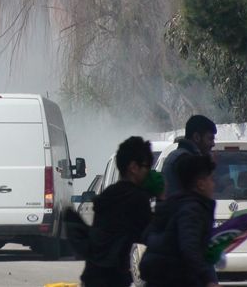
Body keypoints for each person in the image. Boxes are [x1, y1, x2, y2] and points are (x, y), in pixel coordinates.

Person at [80, 137, 154, 287]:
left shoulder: (109, 194)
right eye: (146, 167)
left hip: (93, 275)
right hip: (112, 278)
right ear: (133, 167)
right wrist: (163, 198)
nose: (148, 172)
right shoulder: (137, 198)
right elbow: (151, 237)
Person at [139, 155, 220, 287]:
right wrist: (208, 279)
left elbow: (146, 235)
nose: (214, 184)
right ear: (201, 184)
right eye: (211, 180)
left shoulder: (172, 203)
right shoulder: (193, 209)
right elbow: (189, 247)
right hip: (176, 278)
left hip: (158, 276)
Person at [162, 115, 216, 197]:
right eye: (210, 139)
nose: (213, 144)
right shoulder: (185, 160)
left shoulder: (176, 155)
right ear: (197, 137)